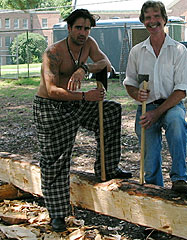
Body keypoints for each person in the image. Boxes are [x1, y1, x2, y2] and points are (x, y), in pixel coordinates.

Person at [33, 9, 132, 232]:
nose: (83, 32)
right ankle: (57, 214)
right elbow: (51, 90)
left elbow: (105, 63)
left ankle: (107, 168)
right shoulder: (53, 53)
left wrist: (83, 68)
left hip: (76, 102)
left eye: (86, 28)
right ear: (69, 28)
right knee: (55, 159)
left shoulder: (89, 44)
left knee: (110, 111)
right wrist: (86, 96)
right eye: (78, 27)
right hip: (51, 107)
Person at [123, 1, 187, 193]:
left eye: (156, 16)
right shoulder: (137, 51)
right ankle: (154, 189)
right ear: (143, 21)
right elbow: (129, 82)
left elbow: (181, 90)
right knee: (150, 158)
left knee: (177, 123)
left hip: (171, 105)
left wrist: (158, 113)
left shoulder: (178, 50)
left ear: (164, 19)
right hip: (146, 108)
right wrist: (136, 93)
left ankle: (179, 180)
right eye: (147, 18)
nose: (152, 21)